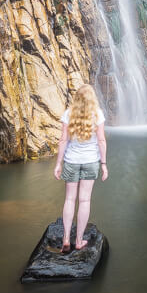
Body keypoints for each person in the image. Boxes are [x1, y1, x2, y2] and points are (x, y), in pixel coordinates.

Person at [54, 84, 108, 253]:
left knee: (69, 199)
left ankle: (65, 239)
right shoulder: (97, 114)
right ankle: (78, 240)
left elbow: (63, 141)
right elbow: (101, 141)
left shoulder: (68, 114)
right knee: (84, 200)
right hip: (91, 161)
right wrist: (104, 165)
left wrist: (58, 163)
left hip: (71, 161)